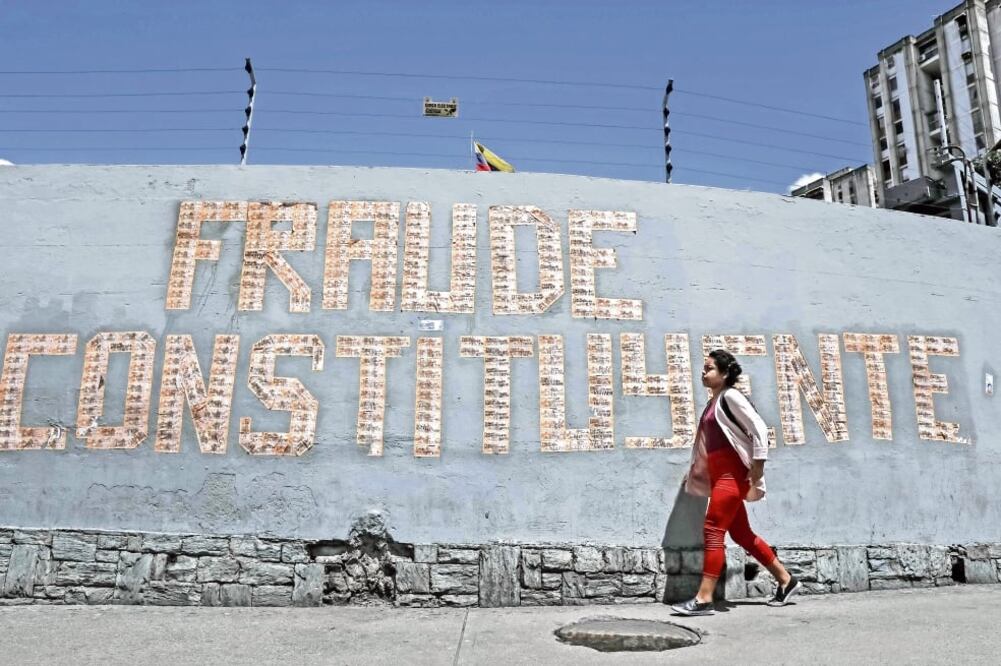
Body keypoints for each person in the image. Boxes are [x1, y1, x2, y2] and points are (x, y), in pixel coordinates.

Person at [671, 349, 799, 616]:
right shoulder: (713, 402)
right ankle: (786, 580)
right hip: (720, 478)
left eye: (709, 369)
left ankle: (704, 599)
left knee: (713, 530)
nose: (703, 372)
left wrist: (758, 465)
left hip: (732, 476)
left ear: (725, 373)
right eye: (703, 368)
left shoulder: (730, 396)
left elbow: (759, 429)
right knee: (741, 534)